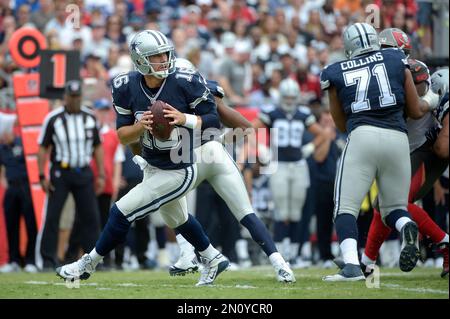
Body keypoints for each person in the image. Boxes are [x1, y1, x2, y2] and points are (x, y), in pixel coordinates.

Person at [56, 30, 229, 287]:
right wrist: (141, 127)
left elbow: (214, 122)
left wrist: (185, 119)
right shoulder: (125, 86)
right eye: (156, 56)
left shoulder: (184, 81)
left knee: (121, 211)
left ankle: (87, 264)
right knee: (178, 220)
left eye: (165, 53)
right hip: (152, 164)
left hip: (179, 168)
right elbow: (124, 136)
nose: (164, 59)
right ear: (140, 60)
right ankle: (213, 257)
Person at [151, 58, 296, 283]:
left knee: (172, 204)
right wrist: (221, 139)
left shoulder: (170, 92)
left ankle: (189, 256)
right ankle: (281, 265)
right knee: (246, 213)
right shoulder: (204, 88)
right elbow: (245, 127)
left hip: (188, 157)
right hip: (214, 154)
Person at [320, 22, 438, 281]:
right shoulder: (396, 57)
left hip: (362, 136)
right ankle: (407, 225)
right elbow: (417, 109)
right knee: (394, 207)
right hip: (397, 138)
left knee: (345, 207)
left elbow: (340, 124)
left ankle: (351, 266)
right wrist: (434, 99)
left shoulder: (334, 70)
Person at [352, 30, 449, 277]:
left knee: (394, 204)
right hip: (403, 150)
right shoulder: (391, 73)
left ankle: (445, 242)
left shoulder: (413, 73)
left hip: (423, 148)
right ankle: (367, 262)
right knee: (381, 207)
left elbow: (417, 110)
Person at [252, 78, 325, 264]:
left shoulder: (303, 114)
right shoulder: (272, 112)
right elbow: (250, 129)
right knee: (281, 212)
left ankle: (294, 253)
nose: (290, 101)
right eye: (287, 97)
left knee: (296, 213)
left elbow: (323, 134)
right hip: (279, 165)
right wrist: (261, 148)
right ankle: (281, 253)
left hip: (299, 165)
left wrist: (309, 147)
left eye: (293, 97)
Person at [37, 80, 105, 270]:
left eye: (77, 97)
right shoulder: (54, 118)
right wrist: (41, 176)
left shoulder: (89, 117)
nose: (74, 100)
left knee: (90, 217)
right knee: (53, 216)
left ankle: (93, 260)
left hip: (83, 171)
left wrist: (101, 174)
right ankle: (48, 260)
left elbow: (97, 146)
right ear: (65, 97)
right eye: (71, 97)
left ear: (81, 97)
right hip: (61, 172)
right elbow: (43, 148)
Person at [0, 131, 38, 273]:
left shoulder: (22, 144)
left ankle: (30, 260)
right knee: (11, 225)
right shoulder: (2, 149)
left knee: (30, 225)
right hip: (11, 188)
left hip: (26, 188)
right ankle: (13, 260)